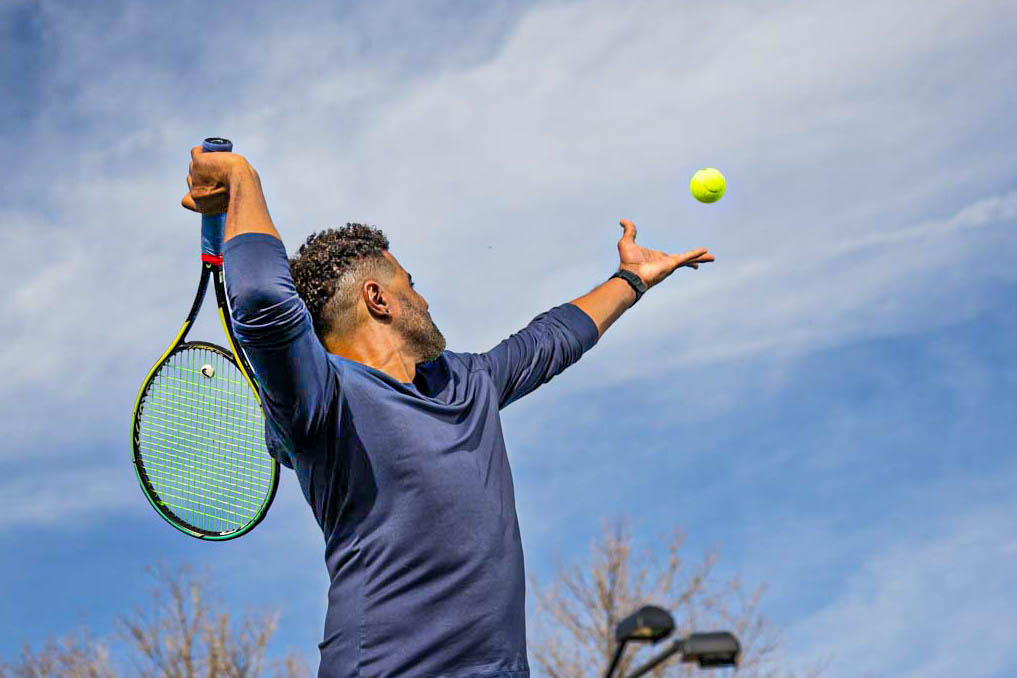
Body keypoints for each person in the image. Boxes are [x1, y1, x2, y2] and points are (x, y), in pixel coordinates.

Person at [182, 145, 714, 678]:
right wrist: (241, 178)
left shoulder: (466, 383)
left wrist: (632, 279)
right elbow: (260, 301)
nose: (424, 299)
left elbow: (550, 340)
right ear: (378, 299)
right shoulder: (323, 400)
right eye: (410, 284)